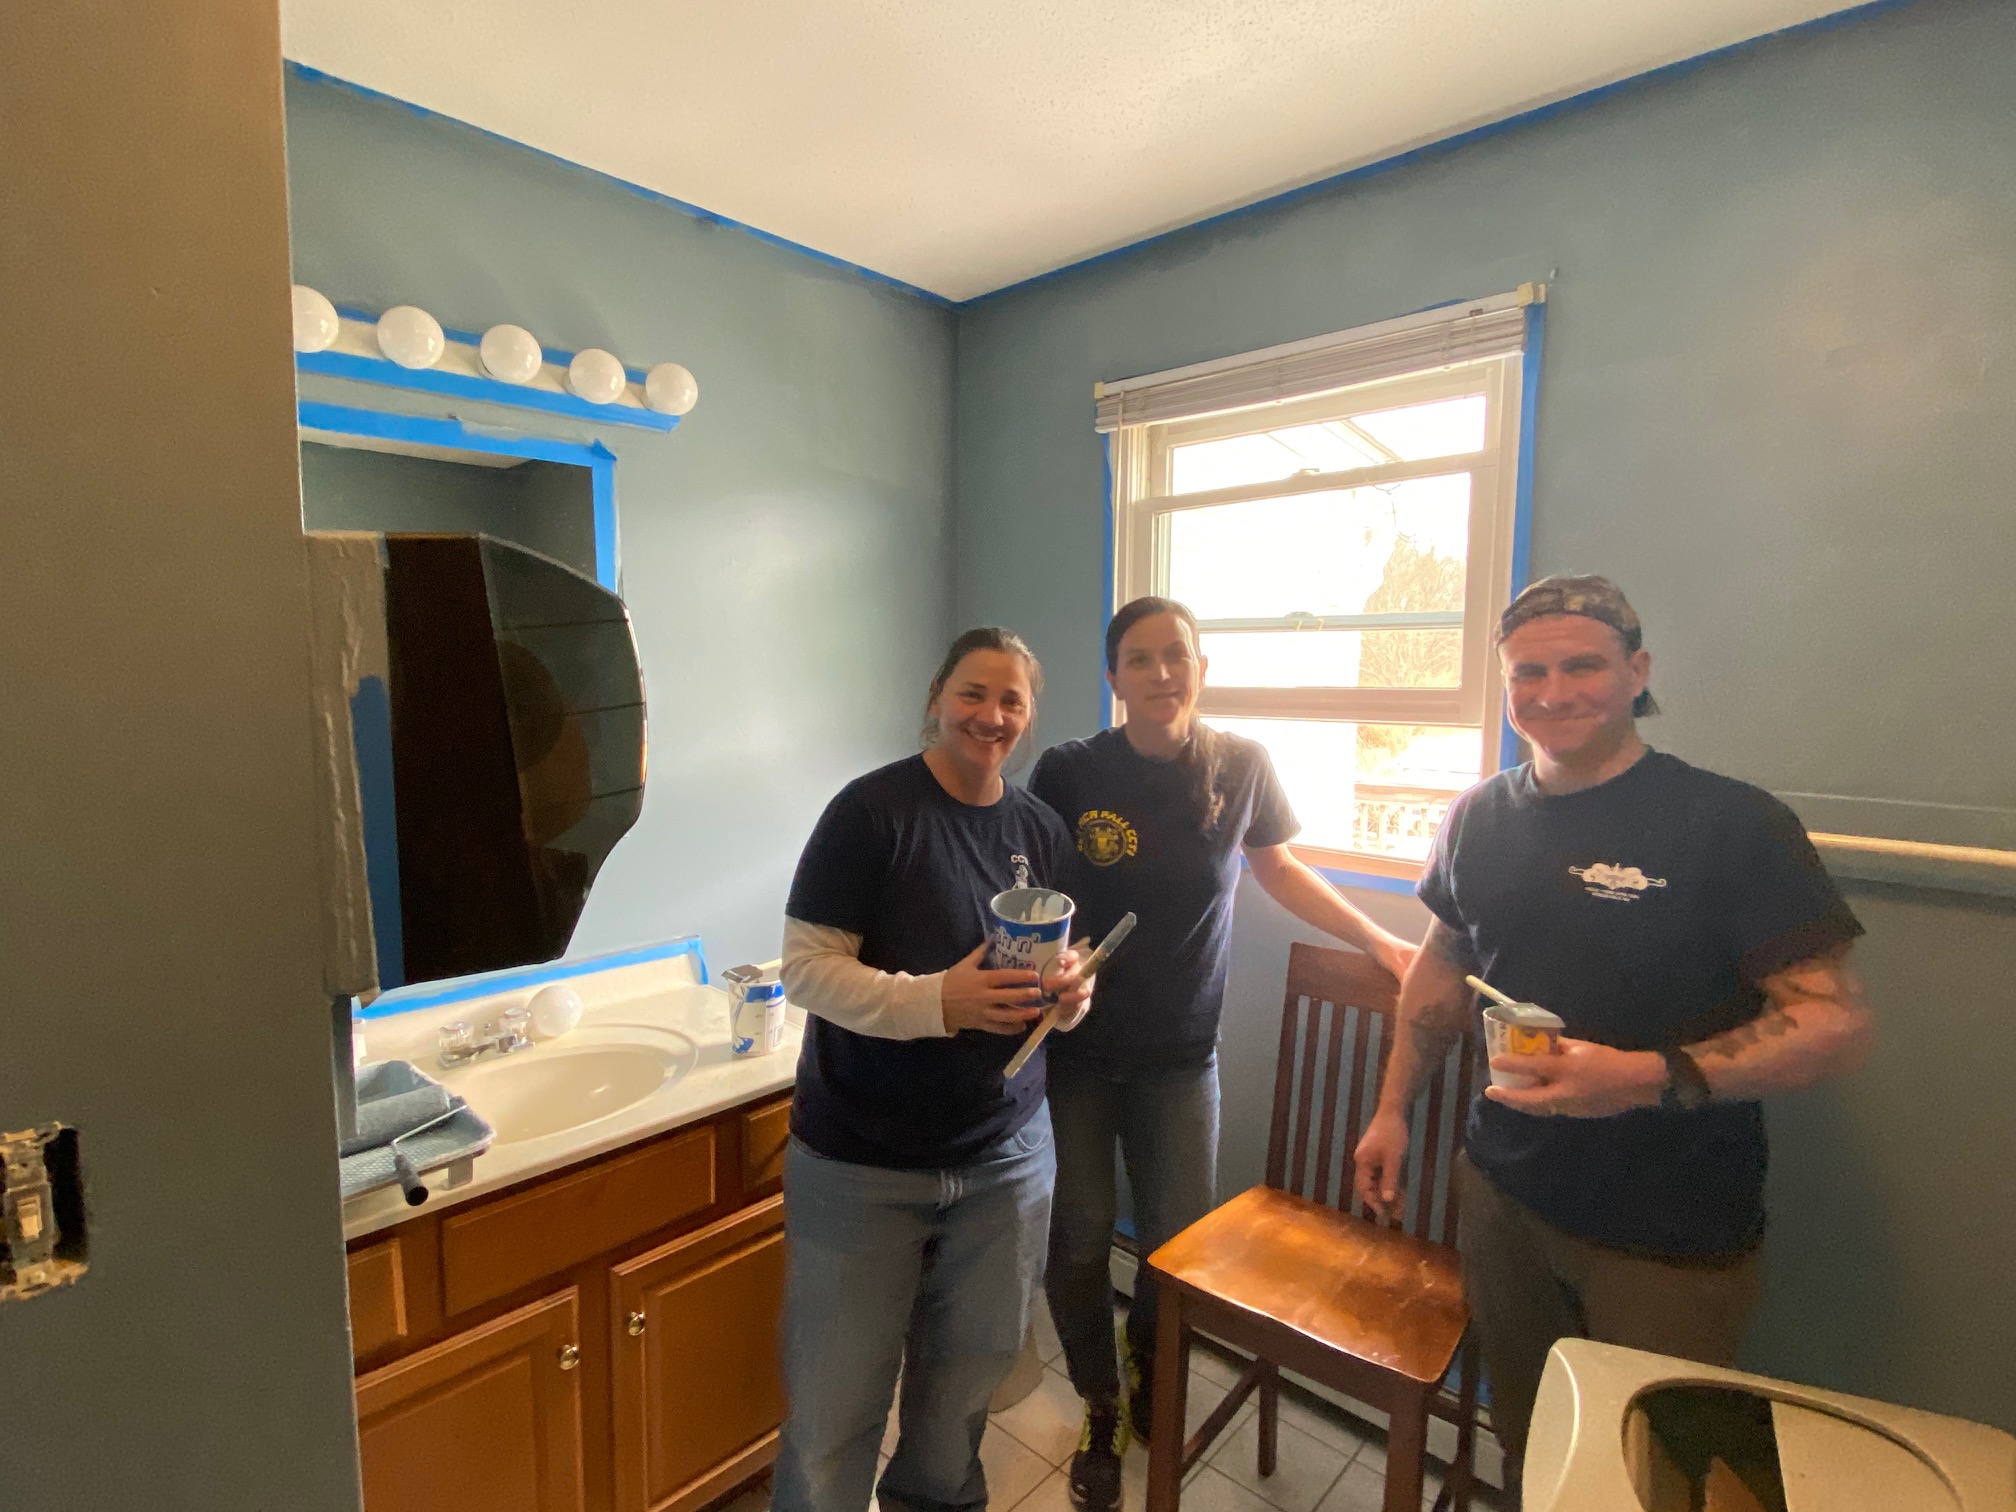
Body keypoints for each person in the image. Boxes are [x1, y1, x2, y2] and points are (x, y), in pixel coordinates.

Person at [1352, 575, 1875, 1501]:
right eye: (1528, 673)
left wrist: (1642, 1077)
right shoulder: (1477, 817)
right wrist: (1393, 1109)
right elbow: (1438, 977)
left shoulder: (1733, 824)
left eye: (1582, 665)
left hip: (1668, 1229)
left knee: (1644, 1475)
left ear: (1637, 671)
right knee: (1527, 1438)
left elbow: (1831, 1024)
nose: (1553, 693)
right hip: (1505, 1190)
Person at [1029, 595, 1419, 1512]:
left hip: (1178, 1060)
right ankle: (1099, 1404)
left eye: (1177, 656)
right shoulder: (1070, 768)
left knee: (1176, 1254)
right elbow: (1030, 880)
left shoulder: (1242, 766)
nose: (1161, 673)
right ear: (1114, 677)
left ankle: (1152, 1367)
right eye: (1139, 658)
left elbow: (1280, 867)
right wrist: (1049, 958)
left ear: (1200, 668)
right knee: (1079, 1241)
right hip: (1079, 1056)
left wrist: (1380, 941)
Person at [772, 627, 1094, 1512]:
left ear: (1029, 718)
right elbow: (806, 970)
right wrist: (936, 1002)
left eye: (1012, 701)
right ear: (935, 698)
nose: (991, 716)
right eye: (973, 694)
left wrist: (1070, 997)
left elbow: (1060, 974)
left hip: (1006, 1158)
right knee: (834, 1414)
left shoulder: (1038, 830)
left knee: (958, 1404)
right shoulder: (870, 814)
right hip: (860, 1163)